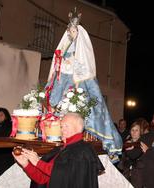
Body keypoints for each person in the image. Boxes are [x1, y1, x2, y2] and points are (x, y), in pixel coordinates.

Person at [45, 8, 122, 161]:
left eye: (73, 31)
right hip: (63, 82)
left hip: (78, 82)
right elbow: (58, 66)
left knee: (92, 108)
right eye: (69, 31)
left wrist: (72, 63)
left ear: (79, 33)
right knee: (53, 104)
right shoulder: (64, 49)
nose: (70, 34)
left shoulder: (81, 52)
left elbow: (84, 68)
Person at [13, 112, 105, 188]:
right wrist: (26, 164)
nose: (62, 129)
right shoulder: (60, 149)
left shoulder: (83, 150)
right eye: (61, 126)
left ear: (78, 128)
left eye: (66, 126)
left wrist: (38, 162)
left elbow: (64, 176)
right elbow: (42, 179)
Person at [118, 121, 144, 188]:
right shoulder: (127, 142)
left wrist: (128, 148)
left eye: (136, 130)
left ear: (140, 132)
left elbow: (133, 156)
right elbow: (122, 157)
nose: (134, 132)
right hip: (126, 173)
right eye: (132, 130)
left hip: (138, 175)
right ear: (130, 131)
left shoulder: (142, 142)